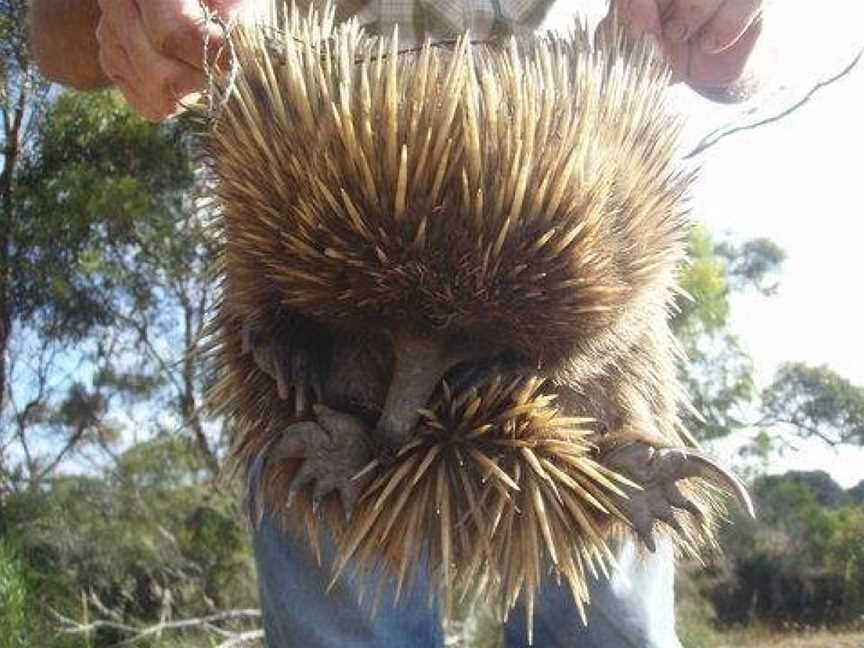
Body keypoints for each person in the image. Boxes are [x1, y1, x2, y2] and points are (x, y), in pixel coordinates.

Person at [28, 1, 764, 646]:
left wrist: (710, 27)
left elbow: (731, 63)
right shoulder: (289, 159)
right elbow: (50, 36)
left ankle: (618, 451)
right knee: (345, 608)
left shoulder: (609, 208)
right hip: (338, 204)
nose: (405, 405)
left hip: (563, 218)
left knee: (611, 618)